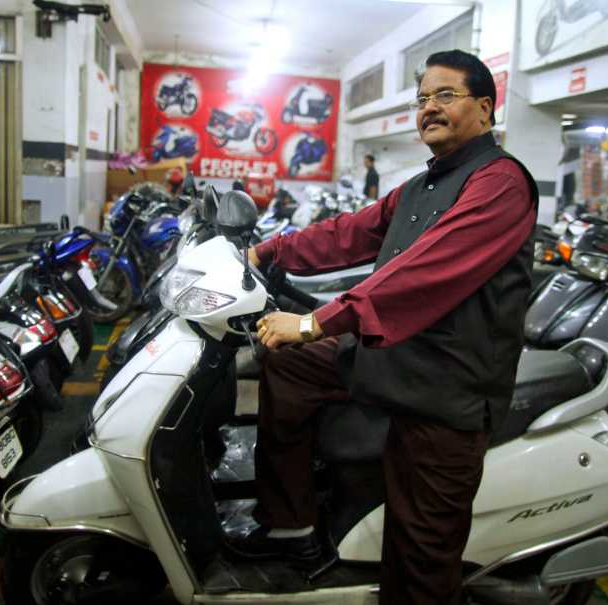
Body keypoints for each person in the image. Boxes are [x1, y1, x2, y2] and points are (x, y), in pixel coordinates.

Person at [231, 49, 539, 605]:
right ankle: (292, 526)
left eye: (445, 95)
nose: (429, 107)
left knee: (419, 555)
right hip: (398, 359)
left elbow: (422, 272)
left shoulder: (500, 182)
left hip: (447, 391)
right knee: (289, 364)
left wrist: (315, 321)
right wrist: (267, 251)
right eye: (422, 99)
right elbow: (350, 232)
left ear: (485, 108)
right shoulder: (422, 185)